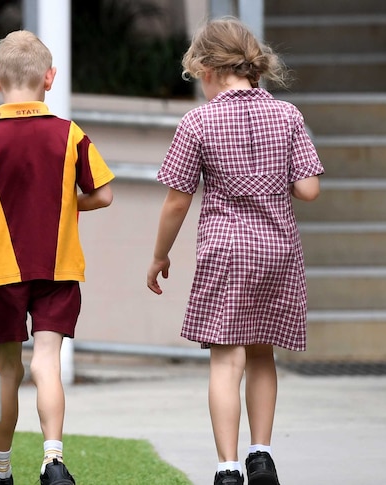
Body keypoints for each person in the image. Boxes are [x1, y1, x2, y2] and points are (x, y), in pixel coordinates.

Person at [145, 17, 323, 485]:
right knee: (263, 354)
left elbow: (177, 199)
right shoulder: (288, 116)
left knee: (227, 360)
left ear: (206, 68)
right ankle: (261, 456)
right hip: (277, 251)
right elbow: (308, 190)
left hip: (226, 251)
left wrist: (160, 254)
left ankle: (227, 468)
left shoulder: (198, 121)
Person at [0, 30, 114, 485]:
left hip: (0, 271)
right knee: (47, 362)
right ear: (50, 78)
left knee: (8, 368)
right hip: (58, 266)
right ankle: (53, 462)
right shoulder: (71, 135)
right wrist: (65, 207)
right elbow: (104, 194)